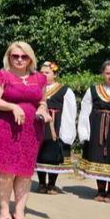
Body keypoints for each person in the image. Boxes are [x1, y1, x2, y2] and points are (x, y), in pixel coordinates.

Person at [0, 42, 50, 219]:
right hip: (4, 128)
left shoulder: (39, 78)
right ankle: (4, 210)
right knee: (6, 170)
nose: (19, 60)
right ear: (9, 57)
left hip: (31, 130)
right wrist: (13, 106)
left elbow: (42, 101)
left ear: (30, 58)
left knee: (25, 171)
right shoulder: (1, 76)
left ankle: (20, 211)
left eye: (24, 56)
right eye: (15, 56)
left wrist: (43, 110)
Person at [36, 61, 77, 194]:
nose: (43, 75)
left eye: (47, 73)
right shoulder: (35, 88)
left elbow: (70, 111)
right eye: (41, 72)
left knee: (53, 154)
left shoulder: (64, 90)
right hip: (38, 123)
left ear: (55, 74)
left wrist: (67, 130)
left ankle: (52, 184)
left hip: (56, 125)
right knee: (40, 154)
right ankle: (42, 183)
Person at [78, 60, 110, 202]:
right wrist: (84, 133)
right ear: (102, 74)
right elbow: (85, 112)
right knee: (98, 156)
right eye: (107, 73)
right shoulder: (93, 90)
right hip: (97, 128)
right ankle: (100, 191)